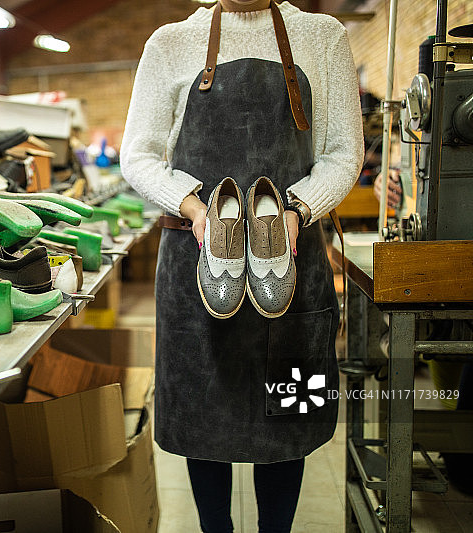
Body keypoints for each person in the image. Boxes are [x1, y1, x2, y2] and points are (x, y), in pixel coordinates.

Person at [119, 0, 363, 531]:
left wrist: (297, 209)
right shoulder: (170, 43)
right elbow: (138, 153)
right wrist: (194, 208)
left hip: (290, 259)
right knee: (204, 415)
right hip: (197, 260)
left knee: (288, 413)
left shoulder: (321, 37)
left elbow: (345, 152)